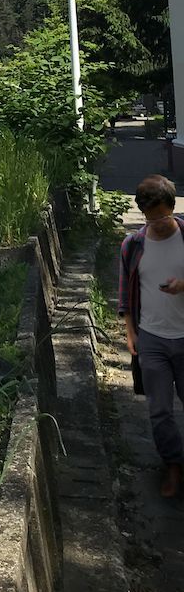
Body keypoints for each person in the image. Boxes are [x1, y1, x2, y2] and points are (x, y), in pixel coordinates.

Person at [119, 174, 184, 497]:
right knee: (159, 411)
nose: (156, 223)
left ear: (173, 207)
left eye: (161, 215)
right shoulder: (134, 245)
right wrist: (131, 332)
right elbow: (125, 295)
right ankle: (173, 466)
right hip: (151, 338)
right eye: (150, 218)